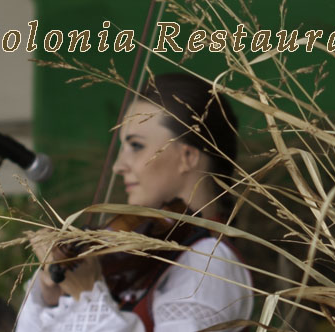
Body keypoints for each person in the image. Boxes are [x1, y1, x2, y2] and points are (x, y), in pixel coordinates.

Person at [17, 73, 253, 332]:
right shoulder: (146, 252)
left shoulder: (210, 261)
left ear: (187, 156)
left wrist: (88, 296)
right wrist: (52, 295)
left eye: (136, 146)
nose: (119, 166)